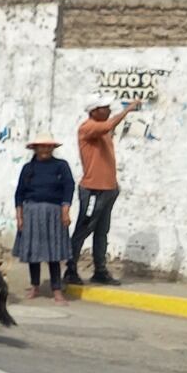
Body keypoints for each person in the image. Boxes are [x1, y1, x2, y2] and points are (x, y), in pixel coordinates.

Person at [66, 95, 141, 286]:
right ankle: (70, 269)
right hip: (93, 189)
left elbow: (109, 128)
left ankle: (100, 270)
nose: (108, 110)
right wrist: (128, 109)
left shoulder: (103, 130)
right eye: (104, 108)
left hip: (108, 189)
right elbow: (109, 125)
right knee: (84, 229)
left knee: (101, 231)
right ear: (94, 111)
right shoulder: (88, 127)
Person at [13, 135, 77, 301]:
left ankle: (56, 289)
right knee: (33, 252)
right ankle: (35, 286)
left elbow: (68, 187)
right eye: (41, 147)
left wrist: (65, 210)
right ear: (35, 148)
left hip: (54, 213)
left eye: (48, 147)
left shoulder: (61, 166)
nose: (45, 150)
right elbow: (19, 193)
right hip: (31, 212)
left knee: (53, 253)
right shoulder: (28, 168)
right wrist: (19, 217)